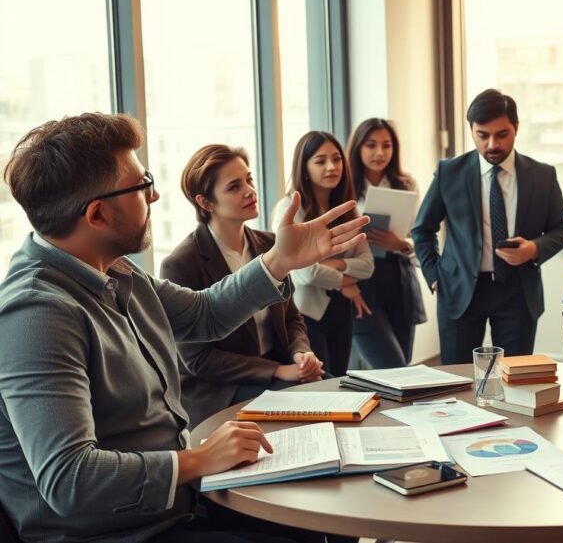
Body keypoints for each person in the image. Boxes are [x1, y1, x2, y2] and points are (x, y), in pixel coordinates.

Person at [0, 113, 367, 542]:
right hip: (123, 532)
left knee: (323, 516)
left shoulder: (117, 272)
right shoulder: (36, 314)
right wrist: (196, 460)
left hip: (178, 504)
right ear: (97, 214)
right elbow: (70, 479)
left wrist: (278, 261)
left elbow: (203, 314)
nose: (154, 196)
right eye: (141, 185)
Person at [161, 144, 325, 428]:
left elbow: (291, 318)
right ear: (206, 203)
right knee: (313, 408)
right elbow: (198, 359)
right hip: (220, 389)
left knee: (337, 393)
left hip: (279, 371)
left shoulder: (270, 244)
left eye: (249, 179)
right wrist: (278, 371)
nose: (250, 190)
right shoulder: (181, 263)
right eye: (234, 187)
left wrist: (301, 353)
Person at [412, 89, 563, 364]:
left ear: (516, 128)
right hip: (460, 289)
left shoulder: (543, 175)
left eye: (501, 134)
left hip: (518, 292)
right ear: (472, 130)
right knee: (456, 381)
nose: (492, 144)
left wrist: (533, 249)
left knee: (514, 382)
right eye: (482, 135)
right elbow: (422, 229)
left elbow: (562, 229)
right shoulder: (449, 172)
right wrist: (434, 276)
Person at [272, 131, 373, 377]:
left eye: (337, 159)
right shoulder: (289, 209)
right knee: (320, 383)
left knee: (339, 379)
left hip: (341, 309)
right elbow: (305, 272)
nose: (331, 167)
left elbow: (367, 266)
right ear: (304, 167)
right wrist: (345, 282)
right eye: (320, 161)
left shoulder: (348, 208)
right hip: (307, 313)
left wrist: (333, 263)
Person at [348, 118, 426, 368]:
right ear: (358, 147)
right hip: (362, 283)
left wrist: (400, 243)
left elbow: (420, 235)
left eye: (386, 145)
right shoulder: (345, 186)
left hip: (399, 279)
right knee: (393, 368)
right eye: (371, 145)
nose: (380, 152)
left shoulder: (406, 184)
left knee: (403, 365)